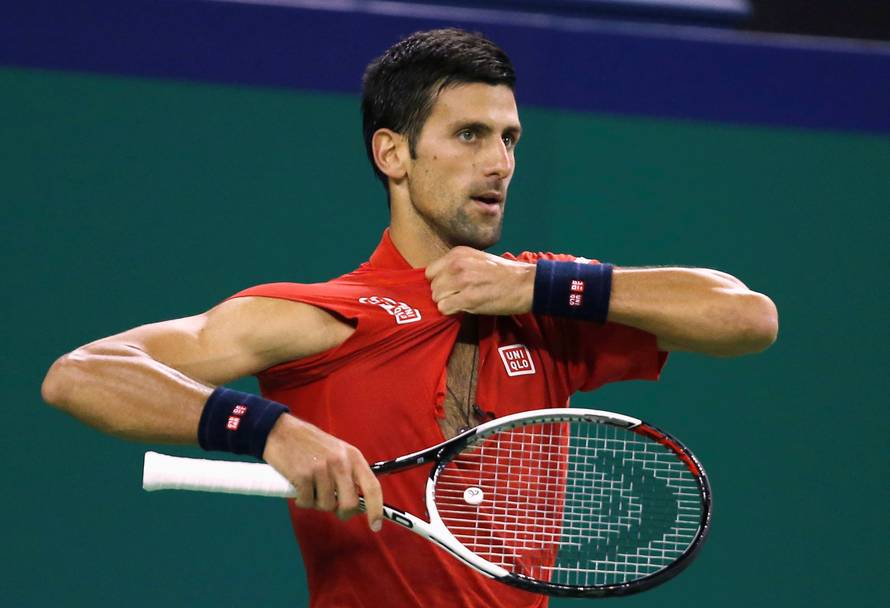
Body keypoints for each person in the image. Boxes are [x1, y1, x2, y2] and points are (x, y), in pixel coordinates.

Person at [41, 28, 777, 608]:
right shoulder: (326, 317)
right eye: (469, 135)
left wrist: (537, 286)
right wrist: (271, 431)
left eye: (509, 138)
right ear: (393, 154)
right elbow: (82, 375)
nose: (499, 162)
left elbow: (747, 317)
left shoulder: (544, 307)